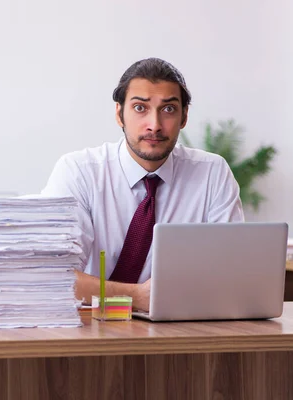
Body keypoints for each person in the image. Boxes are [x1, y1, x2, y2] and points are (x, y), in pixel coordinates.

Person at [41, 57, 244, 311]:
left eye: (168, 109)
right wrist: (135, 297)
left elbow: (231, 271)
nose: (155, 125)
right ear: (119, 114)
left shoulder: (212, 173)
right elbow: (52, 276)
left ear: (184, 117)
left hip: (178, 328)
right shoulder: (79, 172)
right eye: (140, 108)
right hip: (91, 325)